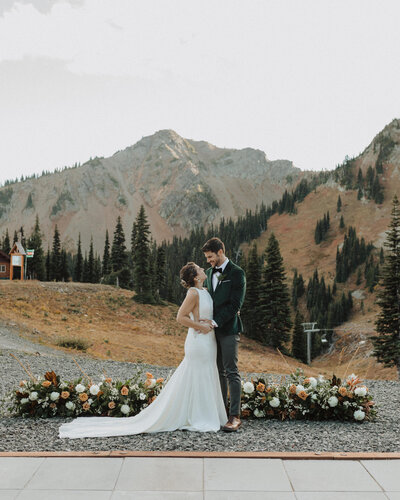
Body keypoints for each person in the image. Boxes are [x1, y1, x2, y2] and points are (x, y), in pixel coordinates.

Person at [59, 262, 227, 439]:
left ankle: (204, 413)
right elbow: (180, 317)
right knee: (197, 374)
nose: (203, 269)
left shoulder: (205, 291)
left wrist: (212, 323)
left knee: (206, 373)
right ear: (195, 277)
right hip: (198, 340)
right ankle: (200, 417)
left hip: (209, 340)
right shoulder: (193, 293)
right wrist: (199, 327)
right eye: (200, 269)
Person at [202, 237, 246, 432]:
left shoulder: (237, 273)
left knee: (231, 371)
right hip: (211, 332)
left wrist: (215, 321)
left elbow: (235, 305)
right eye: (206, 258)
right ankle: (221, 413)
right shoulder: (210, 273)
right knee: (217, 371)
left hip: (228, 330)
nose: (208, 261)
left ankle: (235, 416)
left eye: (210, 257)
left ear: (220, 251)